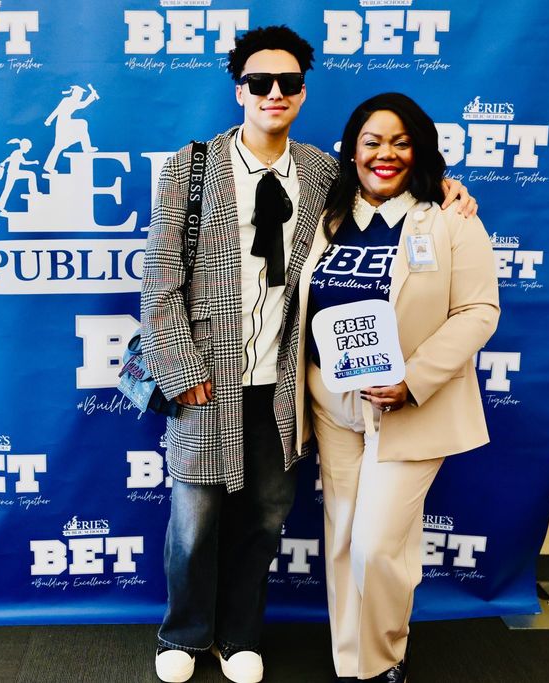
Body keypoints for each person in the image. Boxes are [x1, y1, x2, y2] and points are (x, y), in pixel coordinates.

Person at [140, 27, 475, 683]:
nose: (274, 93)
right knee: (194, 517)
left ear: (301, 92)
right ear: (239, 90)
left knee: (265, 519)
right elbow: (158, 279)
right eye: (260, 82)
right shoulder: (191, 166)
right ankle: (182, 632)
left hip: (286, 384)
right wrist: (181, 372)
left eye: (288, 83)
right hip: (208, 378)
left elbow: (393, 185)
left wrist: (451, 191)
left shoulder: (324, 171)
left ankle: (239, 636)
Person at [296, 93, 499, 682]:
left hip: (414, 409)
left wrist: (412, 381)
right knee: (342, 541)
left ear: (420, 151)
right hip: (333, 408)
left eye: (401, 142)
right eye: (372, 141)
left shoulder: (450, 219)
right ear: (351, 151)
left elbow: (479, 311)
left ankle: (384, 661)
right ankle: (350, 663)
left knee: (378, 545)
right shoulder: (327, 219)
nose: (386, 154)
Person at [0, 138, 39, 216]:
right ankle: (33, 192)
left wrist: (33, 162)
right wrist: (3, 162)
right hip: (13, 173)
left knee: (30, 175)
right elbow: (15, 160)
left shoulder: (18, 153)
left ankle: (0, 206)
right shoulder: (17, 153)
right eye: (28, 148)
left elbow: (22, 162)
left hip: (14, 173)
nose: (28, 150)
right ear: (24, 147)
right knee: (31, 175)